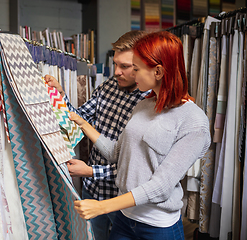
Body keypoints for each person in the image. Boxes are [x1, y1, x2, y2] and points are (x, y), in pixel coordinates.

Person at [69, 31, 211, 240]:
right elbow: (116, 153)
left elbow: (161, 187)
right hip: (125, 219)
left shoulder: (193, 122)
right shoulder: (144, 105)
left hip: (157, 227)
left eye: (136, 69)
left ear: (159, 71)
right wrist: (82, 123)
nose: (132, 75)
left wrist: (102, 207)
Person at [45, 30, 149, 240]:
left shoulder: (149, 102)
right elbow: (80, 117)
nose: (117, 72)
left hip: (122, 198)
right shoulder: (110, 86)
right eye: (116, 64)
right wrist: (60, 95)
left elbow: (136, 164)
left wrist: (91, 171)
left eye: (125, 66)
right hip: (92, 189)